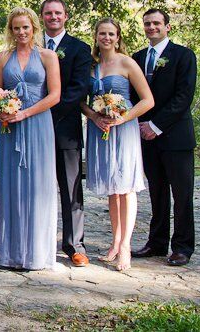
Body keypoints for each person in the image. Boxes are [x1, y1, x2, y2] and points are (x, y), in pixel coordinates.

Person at [81, 18, 153, 271]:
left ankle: (125, 246)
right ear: (96, 36)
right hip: (100, 129)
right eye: (102, 33)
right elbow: (82, 100)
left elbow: (147, 101)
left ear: (118, 37)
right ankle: (114, 241)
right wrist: (93, 116)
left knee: (125, 187)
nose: (107, 38)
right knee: (113, 188)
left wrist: (122, 118)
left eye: (111, 33)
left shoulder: (127, 63)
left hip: (123, 130)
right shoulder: (91, 66)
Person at [0, 7, 61, 270]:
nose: (21, 32)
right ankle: (11, 253)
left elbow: (54, 95)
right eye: (16, 28)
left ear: (34, 27)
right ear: (10, 30)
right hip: (10, 127)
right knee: (11, 185)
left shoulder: (48, 56)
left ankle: (37, 253)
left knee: (37, 185)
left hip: (38, 124)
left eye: (25, 27)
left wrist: (25, 114)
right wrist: (4, 110)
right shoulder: (2, 57)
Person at [131, 8, 198, 266]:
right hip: (147, 137)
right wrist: (139, 124)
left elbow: (184, 97)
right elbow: (134, 97)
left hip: (176, 136)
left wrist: (156, 125)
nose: (151, 27)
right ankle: (157, 243)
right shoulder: (137, 58)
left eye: (156, 23)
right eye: (147, 23)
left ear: (167, 26)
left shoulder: (183, 55)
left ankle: (182, 246)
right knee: (157, 193)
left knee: (182, 194)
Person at [40, 0, 93, 266]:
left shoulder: (80, 49)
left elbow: (79, 88)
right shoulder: (32, 47)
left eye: (57, 13)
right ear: (42, 17)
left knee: (70, 189)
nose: (53, 17)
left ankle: (75, 244)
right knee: (37, 188)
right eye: (48, 13)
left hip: (65, 131)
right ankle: (38, 240)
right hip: (33, 131)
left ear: (66, 16)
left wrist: (46, 111)